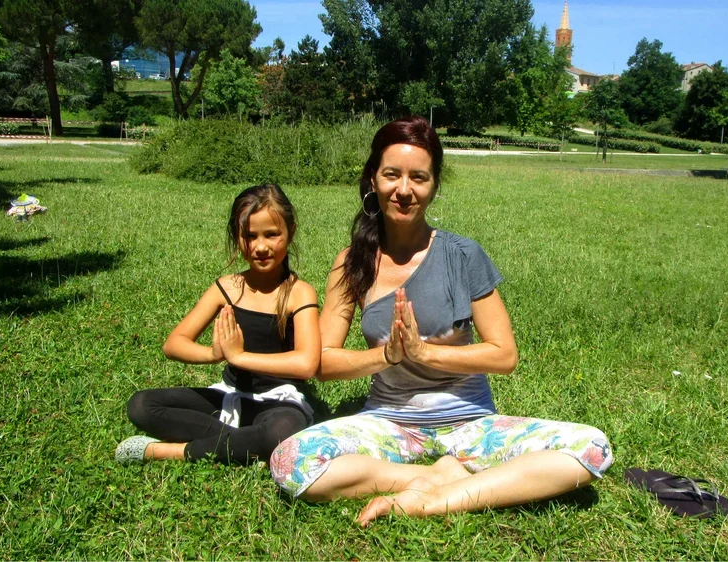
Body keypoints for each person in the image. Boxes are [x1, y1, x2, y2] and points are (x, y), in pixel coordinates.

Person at [269, 116, 613, 526]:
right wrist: (387, 356)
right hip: (389, 422)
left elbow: (504, 355)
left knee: (592, 448)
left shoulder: (463, 255)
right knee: (290, 461)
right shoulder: (353, 261)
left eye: (419, 177)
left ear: (434, 186)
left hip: (469, 422)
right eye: (391, 175)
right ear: (372, 180)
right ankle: (433, 475)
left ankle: (434, 500)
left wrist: (423, 352)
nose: (404, 190)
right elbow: (322, 362)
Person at [116, 184, 320, 465]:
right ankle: (242, 443)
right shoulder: (227, 288)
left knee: (282, 431)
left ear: (290, 232)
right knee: (141, 405)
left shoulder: (299, 292)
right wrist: (214, 354)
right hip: (229, 395)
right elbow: (174, 344)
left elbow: (307, 363)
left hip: (279, 403)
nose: (261, 247)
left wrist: (240, 357)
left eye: (272, 235)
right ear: (237, 237)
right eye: (250, 236)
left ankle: (171, 451)